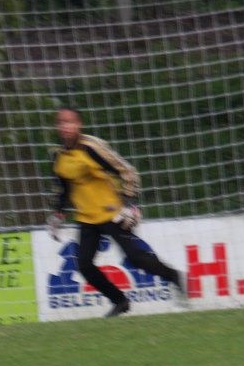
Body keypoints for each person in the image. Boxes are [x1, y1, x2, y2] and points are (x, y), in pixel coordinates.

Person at [47, 105, 185, 317]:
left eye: (70, 122)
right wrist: (58, 214)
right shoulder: (58, 155)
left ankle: (174, 276)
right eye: (61, 122)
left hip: (112, 212)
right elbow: (63, 188)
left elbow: (127, 170)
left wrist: (129, 203)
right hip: (86, 217)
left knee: (135, 258)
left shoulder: (92, 147)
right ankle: (120, 301)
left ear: (79, 124)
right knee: (84, 266)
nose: (65, 126)